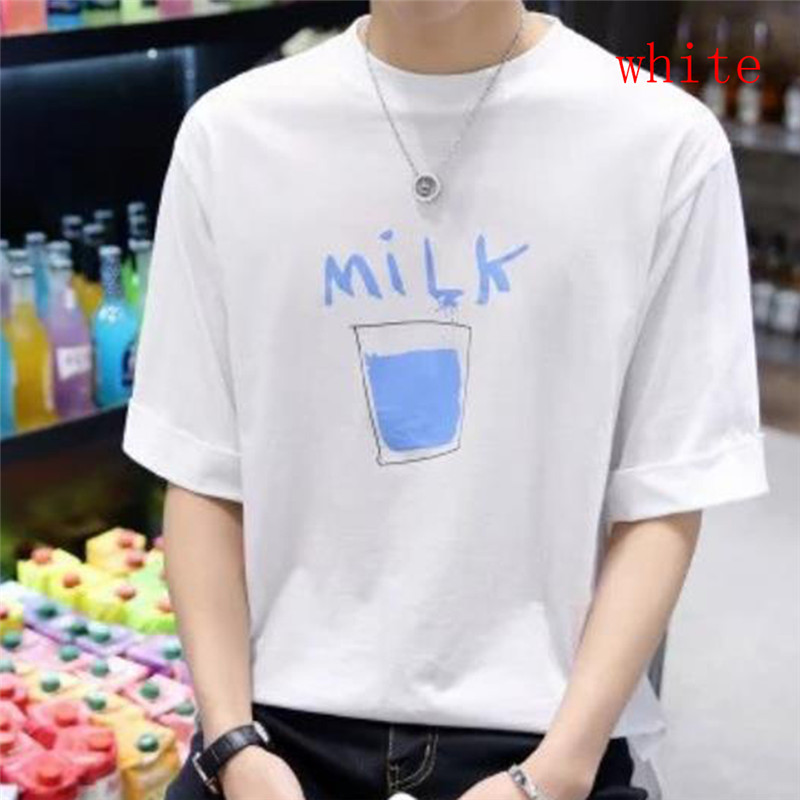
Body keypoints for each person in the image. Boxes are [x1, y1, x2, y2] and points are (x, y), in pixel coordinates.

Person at [122, 1, 769, 798]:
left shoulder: (662, 141)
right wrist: (231, 744)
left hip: (545, 737)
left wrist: (556, 773)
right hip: (274, 732)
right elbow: (201, 471)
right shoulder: (232, 137)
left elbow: (665, 492)